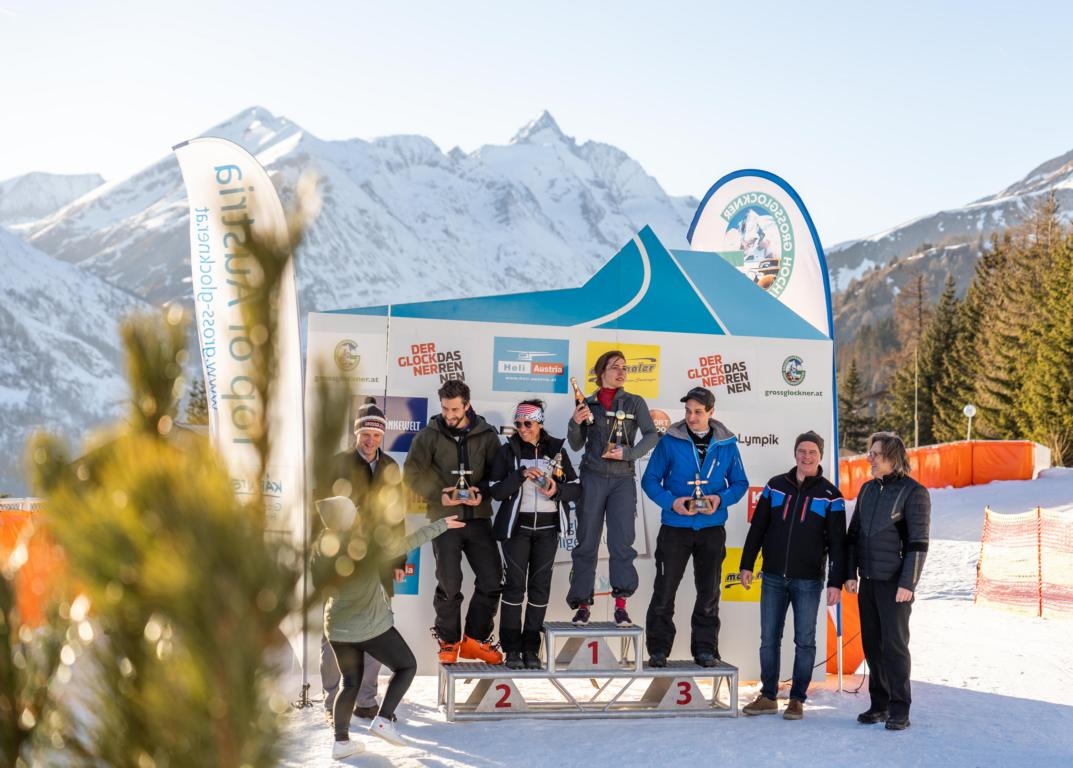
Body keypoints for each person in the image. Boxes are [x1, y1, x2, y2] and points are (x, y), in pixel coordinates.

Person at [311, 495, 464, 759]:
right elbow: (408, 542)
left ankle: (341, 742)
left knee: (350, 683)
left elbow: (320, 585)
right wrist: (441, 525)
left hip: (336, 628)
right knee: (407, 666)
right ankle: (383, 720)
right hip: (370, 626)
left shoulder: (321, 547)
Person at [739, 431, 847, 720]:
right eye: (802, 450)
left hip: (808, 580)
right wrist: (747, 563)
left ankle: (797, 699)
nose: (806, 456)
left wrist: (836, 581)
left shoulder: (831, 495)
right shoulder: (776, 486)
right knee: (768, 639)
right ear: (795, 453)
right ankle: (768, 696)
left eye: (812, 451)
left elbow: (838, 543)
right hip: (773, 575)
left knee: (805, 640)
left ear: (820, 455)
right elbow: (758, 527)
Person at [640, 386, 747, 667]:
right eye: (688, 411)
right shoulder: (670, 440)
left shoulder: (727, 444)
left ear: (711, 412)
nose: (691, 417)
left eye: (698, 412)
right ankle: (658, 650)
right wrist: (671, 502)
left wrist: (719, 499)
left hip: (711, 528)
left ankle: (705, 650)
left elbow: (740, 483)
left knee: (709, 592)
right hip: (675, 527)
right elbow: (650, 480)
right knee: (664, 591)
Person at [403, 379, 504, 664]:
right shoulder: (429, 435)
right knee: (449, 583)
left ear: (467, 405)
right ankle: (449, 642)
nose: (449, 415)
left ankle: (475, 640)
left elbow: (497, 475)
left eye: (455, 409)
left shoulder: (486, 435)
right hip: (444, 520)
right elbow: (411, 474)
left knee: (492, 580)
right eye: (445, 409)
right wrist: (439, 495)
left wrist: (480, 492)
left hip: (479, 519)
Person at [319, 398, 405, 724]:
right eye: (365, 434)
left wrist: (398, 557)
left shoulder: (391, 467)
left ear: (383, 436)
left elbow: (397, 519)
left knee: (377, 630)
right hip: (342, 562)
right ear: (356, 434)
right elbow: (322, 513)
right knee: (334, 632)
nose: (371, 441)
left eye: (377, 435)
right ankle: (331, 701)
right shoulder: (338, 464)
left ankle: (366, 699)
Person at [844, 431, 931, 731]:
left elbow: (918, 544)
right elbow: (853, 536)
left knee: (894, 647)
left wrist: (908, 583)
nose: (869, 458)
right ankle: (878, 704)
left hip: (896, 585)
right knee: (872, 645)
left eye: (875, 454)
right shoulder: (867, 490)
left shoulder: (914, 492)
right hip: (868, 581)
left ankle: (899, 708)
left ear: (892, 457)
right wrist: (850, 573)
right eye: (870, 453)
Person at [566, 350, 659, 626]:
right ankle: (582, 604)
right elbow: (575, 444)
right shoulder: (587, 403)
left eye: (625, 368)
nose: (621, 372)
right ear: (601, 372)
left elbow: (652, 435)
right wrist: (575, 421)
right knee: (586, 543)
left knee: (622, 543)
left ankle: (621, 606)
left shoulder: (634, 402)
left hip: (622, 480)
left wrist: (629, 453)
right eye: (615, 367)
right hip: (592, 478)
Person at [487, 399, 581, 669]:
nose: (522, 429)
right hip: (517, 529)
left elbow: (576, 488)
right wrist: (521, 475)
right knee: (515, 588)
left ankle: (531, 649)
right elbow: (495, 490)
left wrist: (556, 490)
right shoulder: (508, 450)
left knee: (540, 590)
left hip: (548, 529)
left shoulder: (557, 449)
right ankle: (511, 650)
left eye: (527, 423)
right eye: (517, 424)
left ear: (540, 423)